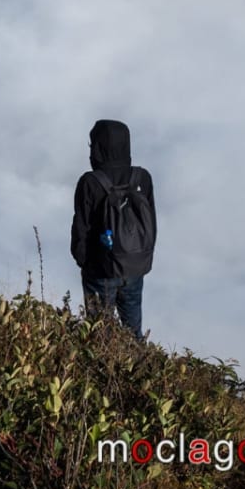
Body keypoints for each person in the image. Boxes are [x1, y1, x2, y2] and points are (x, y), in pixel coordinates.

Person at [70, 118, 155, 339]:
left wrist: (83, 262)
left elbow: (81, 228)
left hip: (101, 269)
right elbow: (151, 224)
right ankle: (137, 370)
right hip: (135, 266)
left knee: (99, 333)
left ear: (98, 147)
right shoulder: (142, 178)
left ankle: (101, 371)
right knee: (133, 333)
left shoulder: (90, 182)